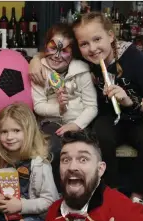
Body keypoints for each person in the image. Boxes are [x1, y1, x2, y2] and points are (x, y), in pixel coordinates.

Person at [29, 12, 143, 205]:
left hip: (138, 118)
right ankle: (111, 193)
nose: (92, 48)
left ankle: (138, 196)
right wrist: (35, 60)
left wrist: (130, 101)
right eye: (84, 44)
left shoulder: (134, 58)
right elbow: (56, 51)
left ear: (111, 36)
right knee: (100, 135)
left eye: (97, 39)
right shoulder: (85, 58)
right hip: (107, 117)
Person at [0, 103, 59, 221]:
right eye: (4, 132)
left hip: (31, 215)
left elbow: (50, 201)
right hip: (1, 213)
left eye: (16, 130)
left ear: (28, 132)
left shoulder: (40, 163)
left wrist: (21, 206)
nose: (9, 137)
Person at [31, 23, 97, 191]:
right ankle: (57, 193)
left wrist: (76, 124)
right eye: (53, 48)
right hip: (50, 123)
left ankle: (83, 191)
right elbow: (38, 106)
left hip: (79, 123)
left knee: (85, 151)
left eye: (65, 50)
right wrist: (59, 109)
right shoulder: (40, 71)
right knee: (55, 149)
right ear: (45, 46)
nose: (57, 55)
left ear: (73, 53)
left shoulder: (82, 71)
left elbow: (92, 107)